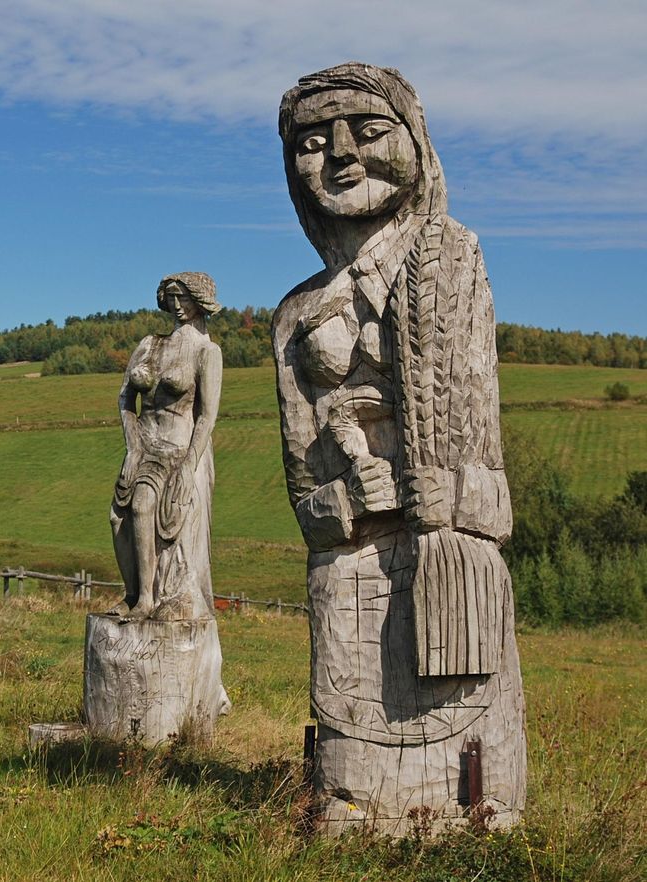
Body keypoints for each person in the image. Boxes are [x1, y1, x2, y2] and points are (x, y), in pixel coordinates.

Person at [273, 63, 526, 833]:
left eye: (369, 131)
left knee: (468, 767)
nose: (341, 155)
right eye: (313, 143)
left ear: (416, 143)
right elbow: (304, 500)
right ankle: (352, 806)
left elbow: (494, 481)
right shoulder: (296, 318)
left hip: (456, 580)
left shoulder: (454, 266)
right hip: (351, 583)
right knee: (357, 777)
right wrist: (348, 501)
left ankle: (480, 814)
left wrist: (455, 496)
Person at [110, 272, 222, 622]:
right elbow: (126, 399)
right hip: (143, 445)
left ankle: (147, 599)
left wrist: (189, 465)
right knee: (116, 517)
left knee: (143, 505)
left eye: (183, 297)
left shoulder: (207, 351)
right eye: (171, 297)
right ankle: (132, 592)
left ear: (200, 301)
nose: (176, 304)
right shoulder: (148, 344)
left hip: (177, 449)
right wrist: (132, 448)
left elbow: (206, 416)